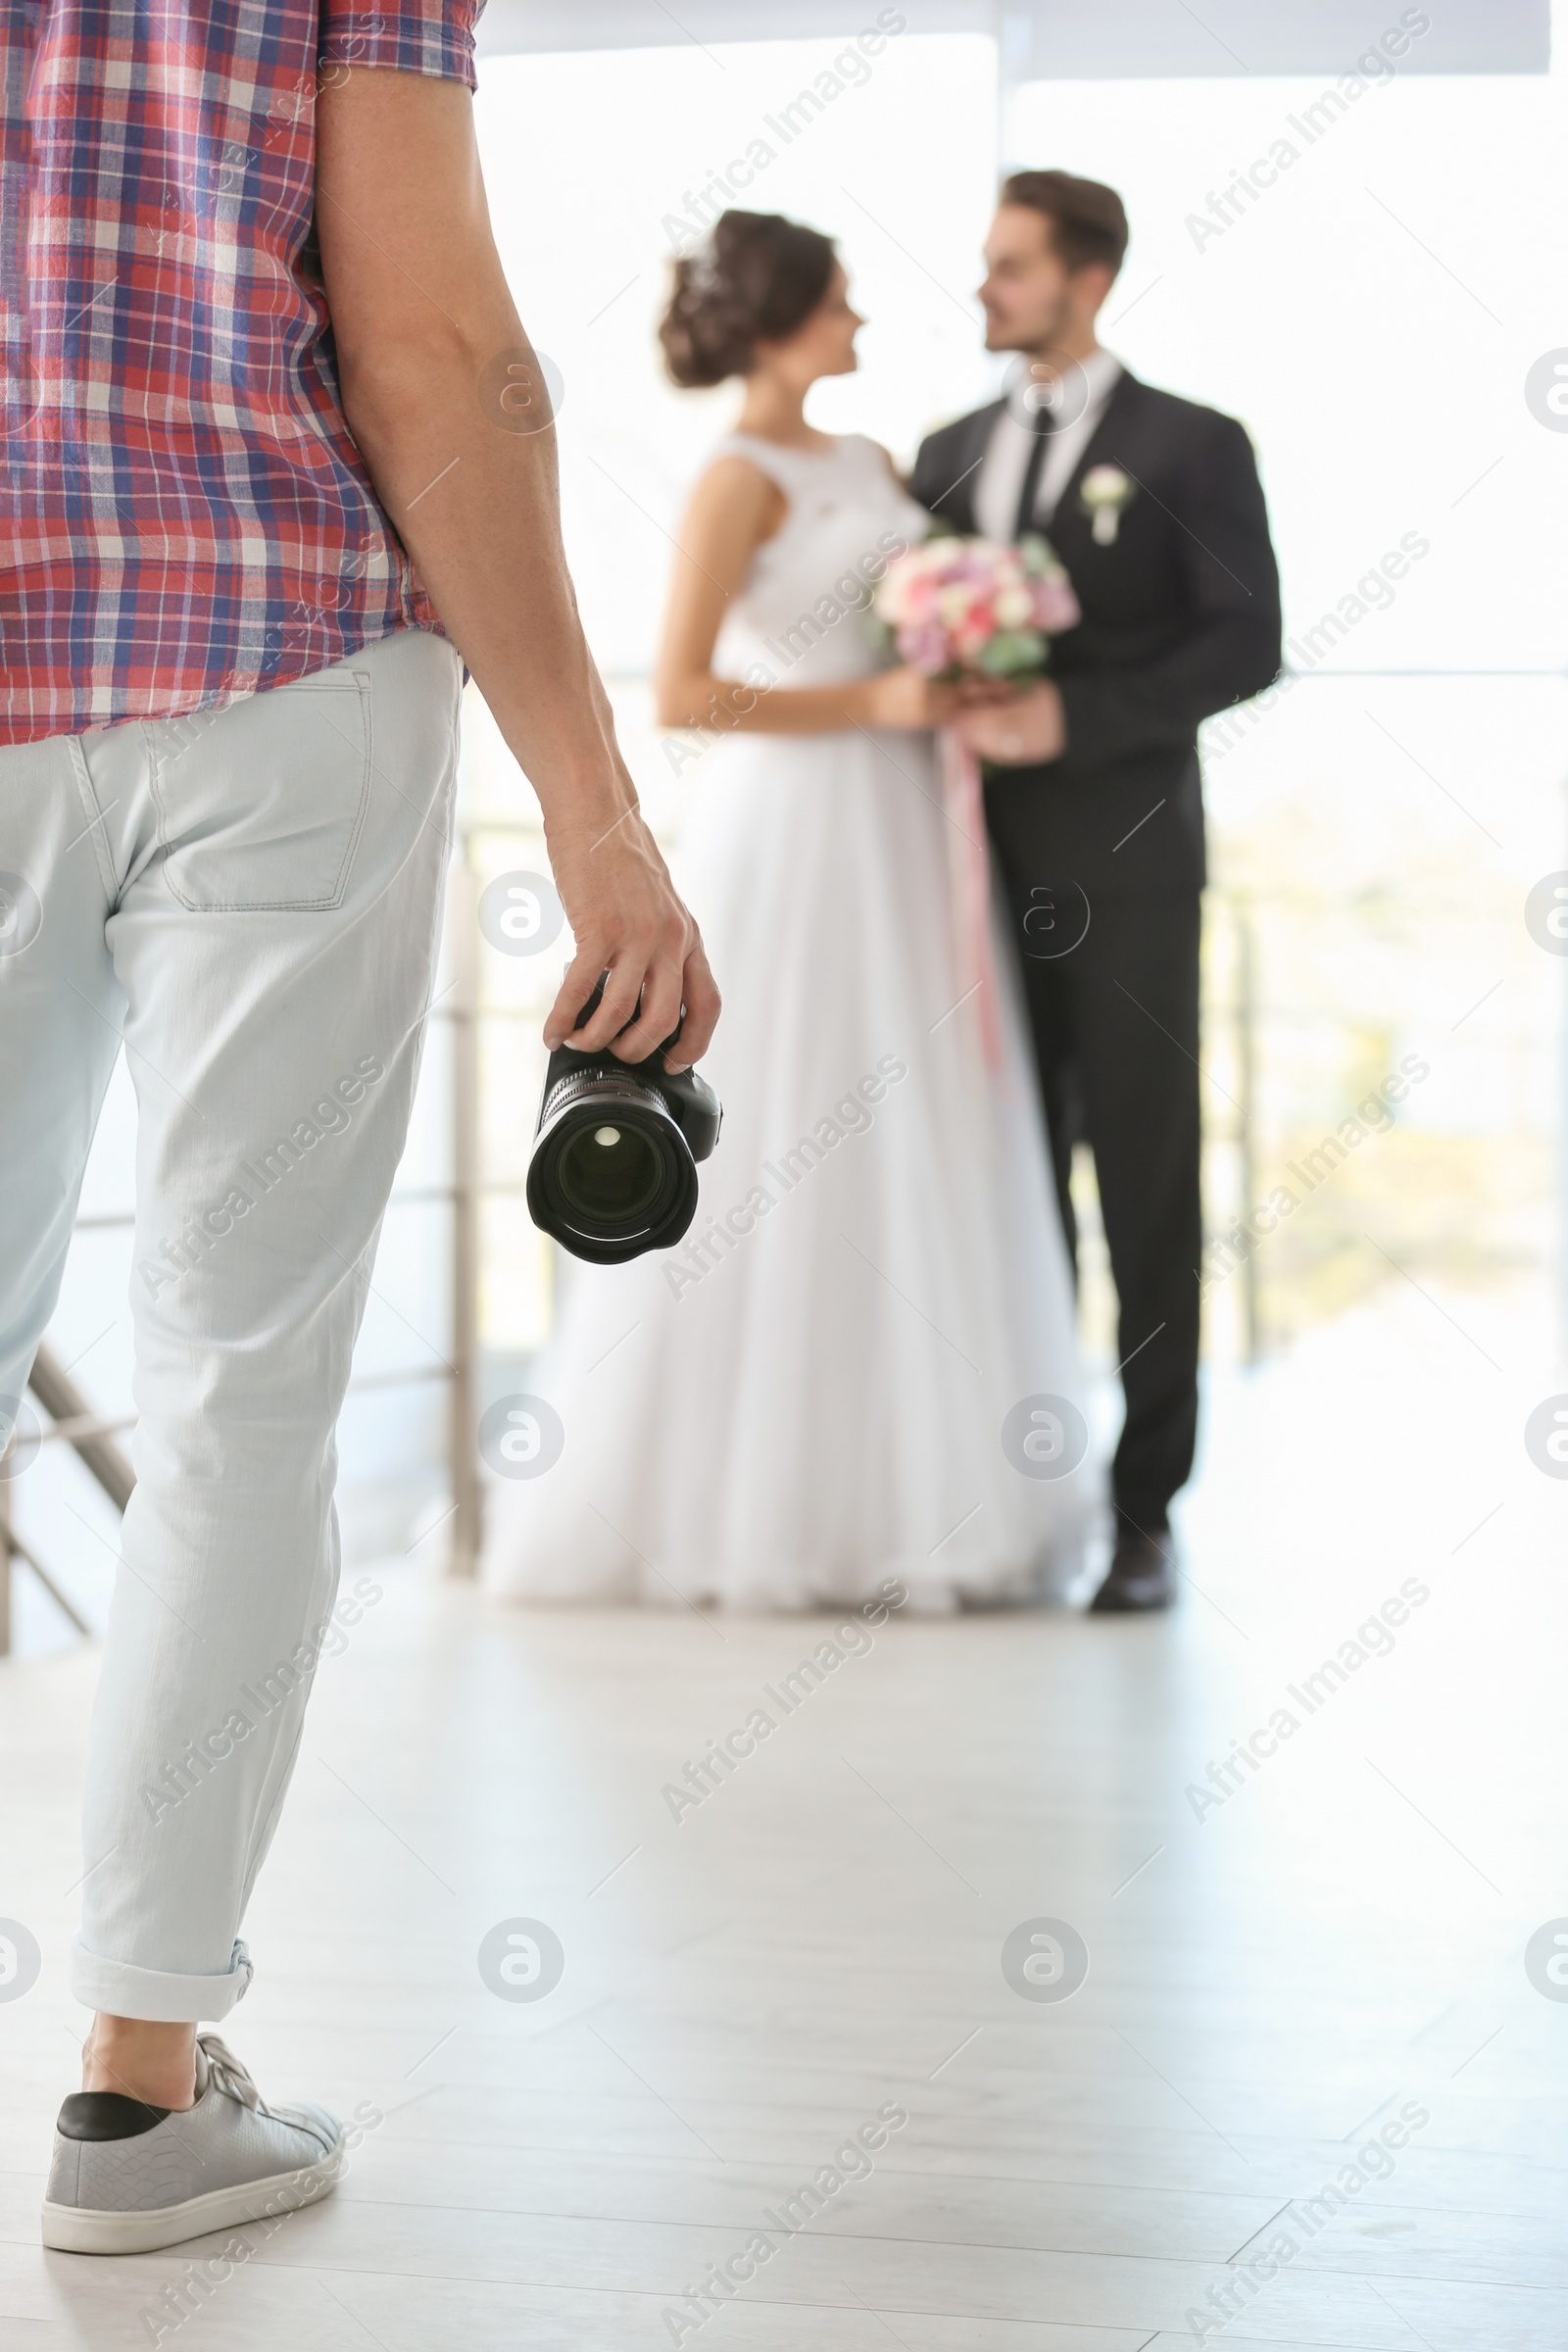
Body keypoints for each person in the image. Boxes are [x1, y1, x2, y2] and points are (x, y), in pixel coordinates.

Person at [1, 0, 716, 2255]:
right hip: (285, 657)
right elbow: (433, 342)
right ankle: (134, 2091)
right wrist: (595, 814)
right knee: (243, 1395)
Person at [481, 210, 1095, 1614]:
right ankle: (737, 1505)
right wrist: (880, 697)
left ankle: (922, 1491)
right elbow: (687, 693)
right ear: (783, 318)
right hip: (794, 827)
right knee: (789, 1130)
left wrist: (961, 654)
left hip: (897, 824)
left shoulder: (876, 464)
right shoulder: (734, 479)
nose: (863, 323)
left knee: (914, 1128)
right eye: (842, 302)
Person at [913, 170, 1282, 1613]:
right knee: (1005, 1176)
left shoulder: (1193, 446)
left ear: (1093, 277)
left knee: (1143, 1180)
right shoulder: (940, 448)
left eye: (1012, 265)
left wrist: (1076, 720)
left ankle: (1147, 1509)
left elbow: (1247, 643)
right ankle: (1023, 1477)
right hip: (961, 868)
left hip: (1129, 871)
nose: (988, 288)